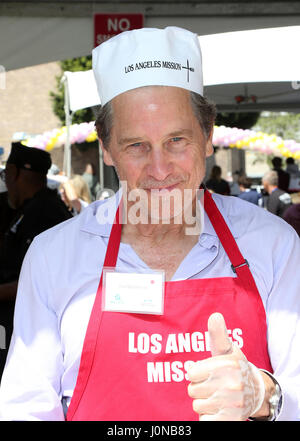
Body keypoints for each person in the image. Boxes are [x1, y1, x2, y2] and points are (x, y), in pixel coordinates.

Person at [0, 27, 299, 422]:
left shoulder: (273, 244)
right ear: (106, 148)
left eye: (177, 140)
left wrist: (262, 394)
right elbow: (25, 409)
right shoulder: (54, 256)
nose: (160, 169)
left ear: (208, 135)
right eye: (136, 145)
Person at [0, 142, 72, 378]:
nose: (6, 180)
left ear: (16, 173)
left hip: (33, 330)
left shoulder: (46, 212)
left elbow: (45, 280)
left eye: (6, 173)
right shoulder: (25, 208)